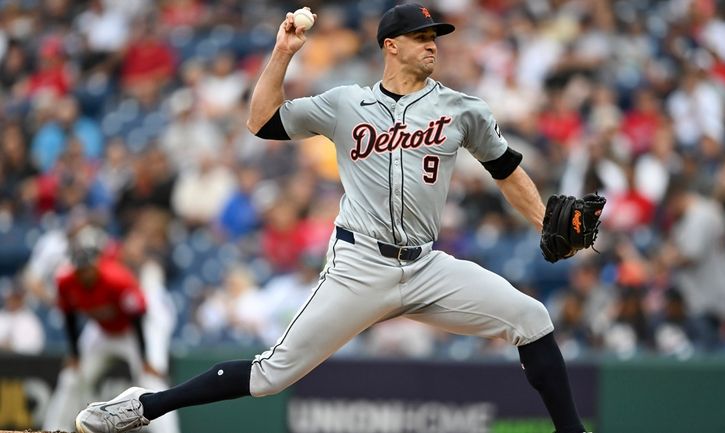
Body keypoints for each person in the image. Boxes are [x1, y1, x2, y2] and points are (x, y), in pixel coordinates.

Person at [74, 5, 589, 433]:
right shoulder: (347, 103)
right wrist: (283, 53)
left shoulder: (462, 108)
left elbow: (506, 170)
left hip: (428, 265)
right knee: (271, 375)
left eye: (436, 36)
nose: (433, 44)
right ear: (391, 45)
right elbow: (261, 121)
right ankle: (145, 406)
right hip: (361, 264)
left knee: (533, 320)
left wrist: (544, 218)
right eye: (421, 36)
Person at [44, 225, 175, 432]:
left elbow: (137, 316)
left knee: (151, 379)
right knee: (71, 377)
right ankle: (53, 429)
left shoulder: (117, 278)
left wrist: (145, 358)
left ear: (97, 263)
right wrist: (75, 354)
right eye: (81, 268)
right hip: (102, 331)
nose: (85, 273)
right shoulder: (66, 281)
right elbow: (69, 315)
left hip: (135, 330)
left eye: (88, 267)